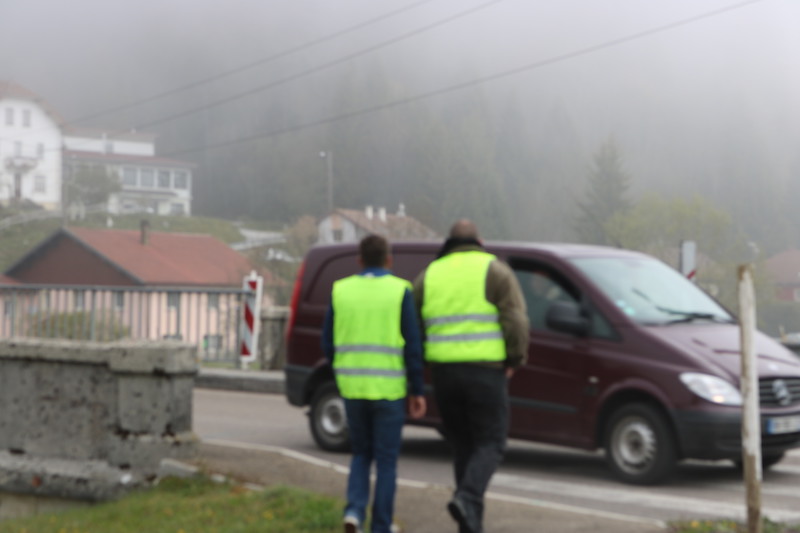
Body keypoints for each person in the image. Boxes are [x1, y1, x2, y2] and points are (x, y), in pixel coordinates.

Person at [413, 219, 529, 533]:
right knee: (491, 442)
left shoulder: (429, 274)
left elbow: (412, 322)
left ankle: (469, 524)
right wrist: (515, 358)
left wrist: (424, 359)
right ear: (480, 241)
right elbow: (515, 320)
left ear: (449, 242)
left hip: (444, 373)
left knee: (463, 446)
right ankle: (467, 497)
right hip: (485, 371)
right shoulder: (495, 271)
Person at [322, 233, 427, 533]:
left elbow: (327, 342)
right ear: (388, 260)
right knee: (386, 461)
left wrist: (341, 370)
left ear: (359, 260)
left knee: (360, 453)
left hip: (352, 387)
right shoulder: (400, 290)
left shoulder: (341, 290)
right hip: (389, 390)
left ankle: (354, 512)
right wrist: (417, 390)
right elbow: (413, 345)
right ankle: (381, 525)